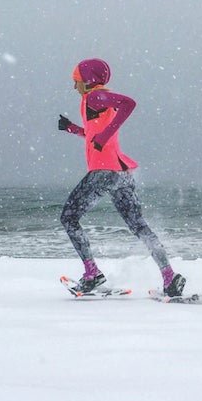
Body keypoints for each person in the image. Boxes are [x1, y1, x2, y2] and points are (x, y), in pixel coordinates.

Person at [58, 58, 185, 297]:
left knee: (68, 217)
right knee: (138, 225)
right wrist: (72, 129)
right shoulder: (94, 102)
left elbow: (129, 103)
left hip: (104, 172)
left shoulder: (94, 97)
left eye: (76, 82)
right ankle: (169, 277)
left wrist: (105, 135)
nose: (74, 87)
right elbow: (92, 135)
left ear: (88, 81)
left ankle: (92, 274)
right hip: (122, 174)